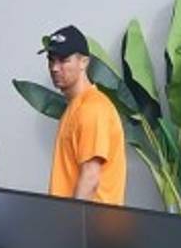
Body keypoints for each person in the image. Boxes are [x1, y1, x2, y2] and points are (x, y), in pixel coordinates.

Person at [41, 25, 126, 205]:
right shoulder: (75, 108)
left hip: (91, 228)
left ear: (84, 62)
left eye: (64, 60)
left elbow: (91, 177)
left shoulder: (93, 108)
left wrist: (73, 227)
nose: (55, 68)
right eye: (51, 60)